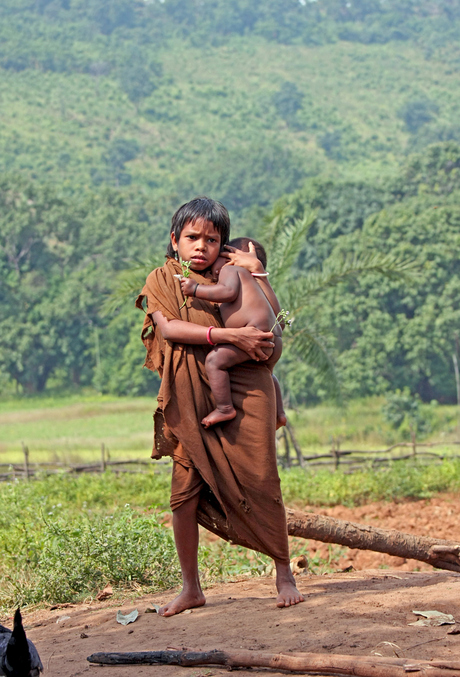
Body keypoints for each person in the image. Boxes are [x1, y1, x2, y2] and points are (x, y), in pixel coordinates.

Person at [136, 196, 304, 617]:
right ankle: (191, 587)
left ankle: (284, 573)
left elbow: (277, 325)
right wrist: (229, 338)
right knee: (183, 494)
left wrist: (260, 273)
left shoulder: (233, 273)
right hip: (189, 397)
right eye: (192, 237)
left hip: (248, 388)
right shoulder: (162, 279)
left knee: (263, 478)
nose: (201, 246)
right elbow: (170, 328)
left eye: (211, 239)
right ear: (174, 240)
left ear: (223, 245)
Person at [179, 237, 287, 430]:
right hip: (274, 339)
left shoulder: (231, 270)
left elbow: (227, 292)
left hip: (257, 334)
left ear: (229, 257)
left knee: (214, 361)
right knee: (268, 375)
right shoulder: (255, 283)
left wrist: (195, 288)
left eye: (215, 264)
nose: (214, 272)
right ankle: (279, 413)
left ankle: (225, 408)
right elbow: (280, 320)